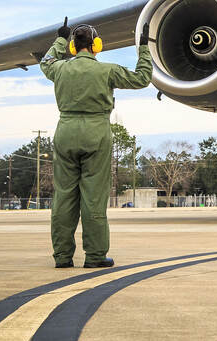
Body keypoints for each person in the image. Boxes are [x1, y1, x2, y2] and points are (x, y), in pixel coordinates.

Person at [40, 18, 152, 268]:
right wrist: (144, 48)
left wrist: (60, 39)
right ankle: (95, 256)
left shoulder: (59, 69)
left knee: (64, 197)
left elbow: (45, 62)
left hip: (65, 131)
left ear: (73, 47)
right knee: (93, 198)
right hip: (96, 132)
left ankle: (62, 257)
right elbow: (142, 78)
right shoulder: (108, 70)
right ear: (97, 46)